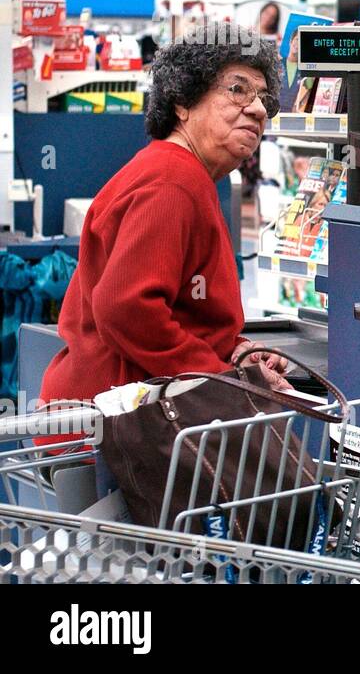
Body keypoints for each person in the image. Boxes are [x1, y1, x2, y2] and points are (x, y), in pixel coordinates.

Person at [40, 23, 292, 414]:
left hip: (127, 418)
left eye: (264, 98)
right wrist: (222, 381)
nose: (259, 109)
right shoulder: (172, 182)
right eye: (238, 90)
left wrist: (233, 351)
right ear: (182, 101)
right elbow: (127, 308)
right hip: (124, 432)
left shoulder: (183, 176)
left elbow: (180, 306)